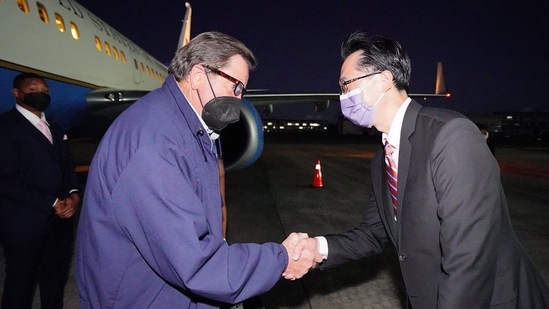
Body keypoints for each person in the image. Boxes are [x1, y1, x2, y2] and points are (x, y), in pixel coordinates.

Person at [289, 32, 549, 308]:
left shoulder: (450, 136)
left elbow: (468, 258)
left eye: (346, 85)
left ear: (383, 80)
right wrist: (317, 249)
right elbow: (372, 234)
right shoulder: (383, 160)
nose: (343, 97)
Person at [75, 31, 314, 308]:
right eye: (235, 86)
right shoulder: (155, 144)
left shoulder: (188, 128)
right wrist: (281, 258)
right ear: (199, 75)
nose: (238, 98)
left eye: (242, 91)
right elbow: (197, 264)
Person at [0, 72, 80, 308]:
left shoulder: (55, 127)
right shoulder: (5, 128)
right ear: (17, 93)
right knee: (20, 284)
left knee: (54, 281)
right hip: (24, 224)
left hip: (59, 223)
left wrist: (74, 196)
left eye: (45, 90)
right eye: (33, 90)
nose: (41, 94)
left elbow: (67, 167)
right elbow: (6, 178)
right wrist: (53, 201)